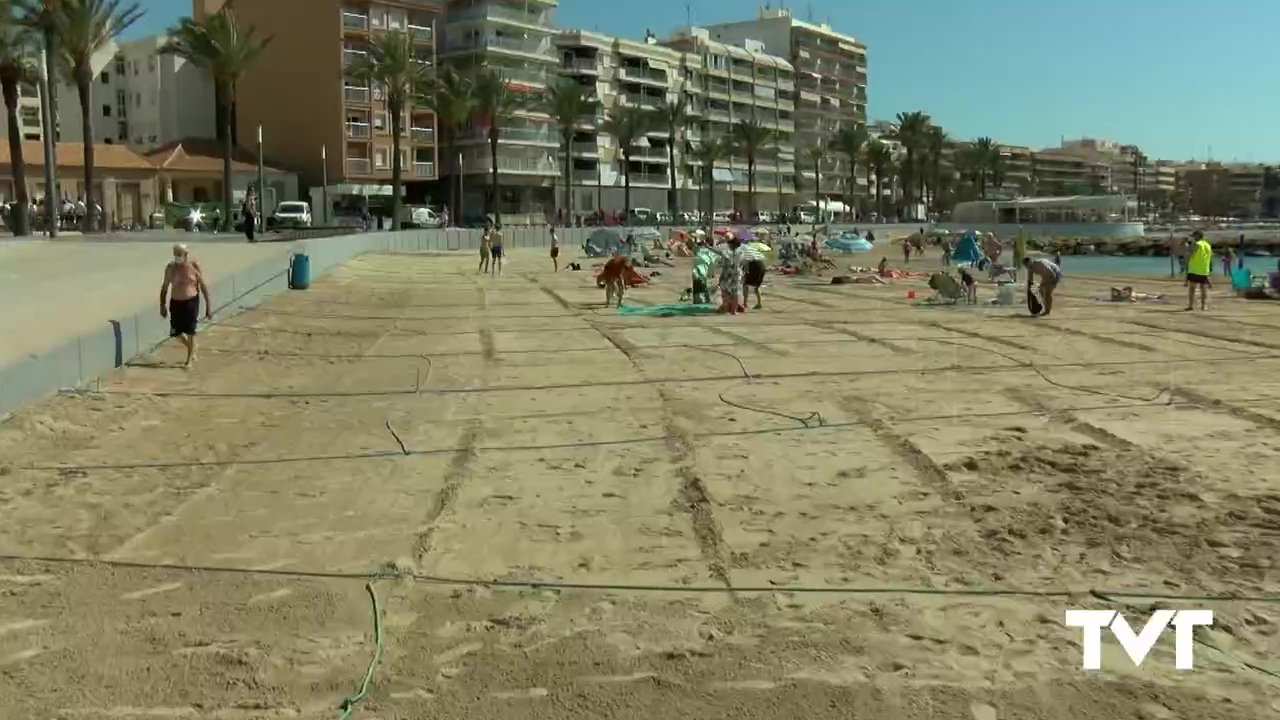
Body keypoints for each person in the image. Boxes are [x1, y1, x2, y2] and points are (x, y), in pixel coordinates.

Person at [160, 244, 212, 369]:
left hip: (191, 301)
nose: (178, 258)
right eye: (175, 255)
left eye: (180, 255)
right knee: (175, 332)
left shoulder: (193, 266)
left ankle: (189, 360)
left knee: (190, 331)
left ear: (186, 255)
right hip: (176, 302)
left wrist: (208, 307)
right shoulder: (170, 268)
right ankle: (192, 347)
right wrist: (162, 306)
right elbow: (164, 288)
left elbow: (203, 286)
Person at [715, 237, 747, 314]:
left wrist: (707, 246)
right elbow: (742, 264)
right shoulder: (741, 253)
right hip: (737, 273)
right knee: (735, 292)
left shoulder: (727, 253)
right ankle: (733, 310)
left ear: (731, 244)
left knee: (725, 290)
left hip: (728, 273)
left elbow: (722, 258)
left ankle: (726, 306)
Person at [1185, 230, 1212, 311]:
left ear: (1197, 236)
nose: (1193, 238)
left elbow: (1191, 252)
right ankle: (1204, 306)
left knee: (1192, 288)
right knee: (1203, 288)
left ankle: (1191, 305)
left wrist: (1187, 245)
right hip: (1204, 269)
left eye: (1194, 236)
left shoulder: (1197, 244)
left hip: (1194, 269)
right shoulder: (1207, 245)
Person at [741, 240, 767, 310]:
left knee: (745, 285)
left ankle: (745, 303)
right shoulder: (752, 248)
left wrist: (745, 273)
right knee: (756, 286)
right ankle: (759, 303)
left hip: (754, 265)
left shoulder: (742, 249)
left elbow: (745, 263)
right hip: (762, 265)